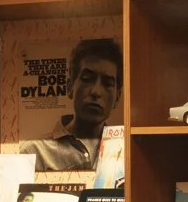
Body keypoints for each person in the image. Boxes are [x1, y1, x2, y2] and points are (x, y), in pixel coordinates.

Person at [21, 37, 122, 172]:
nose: (96, 91)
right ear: (70, 87)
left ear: (117, 97)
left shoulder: (126, 151)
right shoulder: (35, 152)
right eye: (87, 79)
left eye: (107, 83)